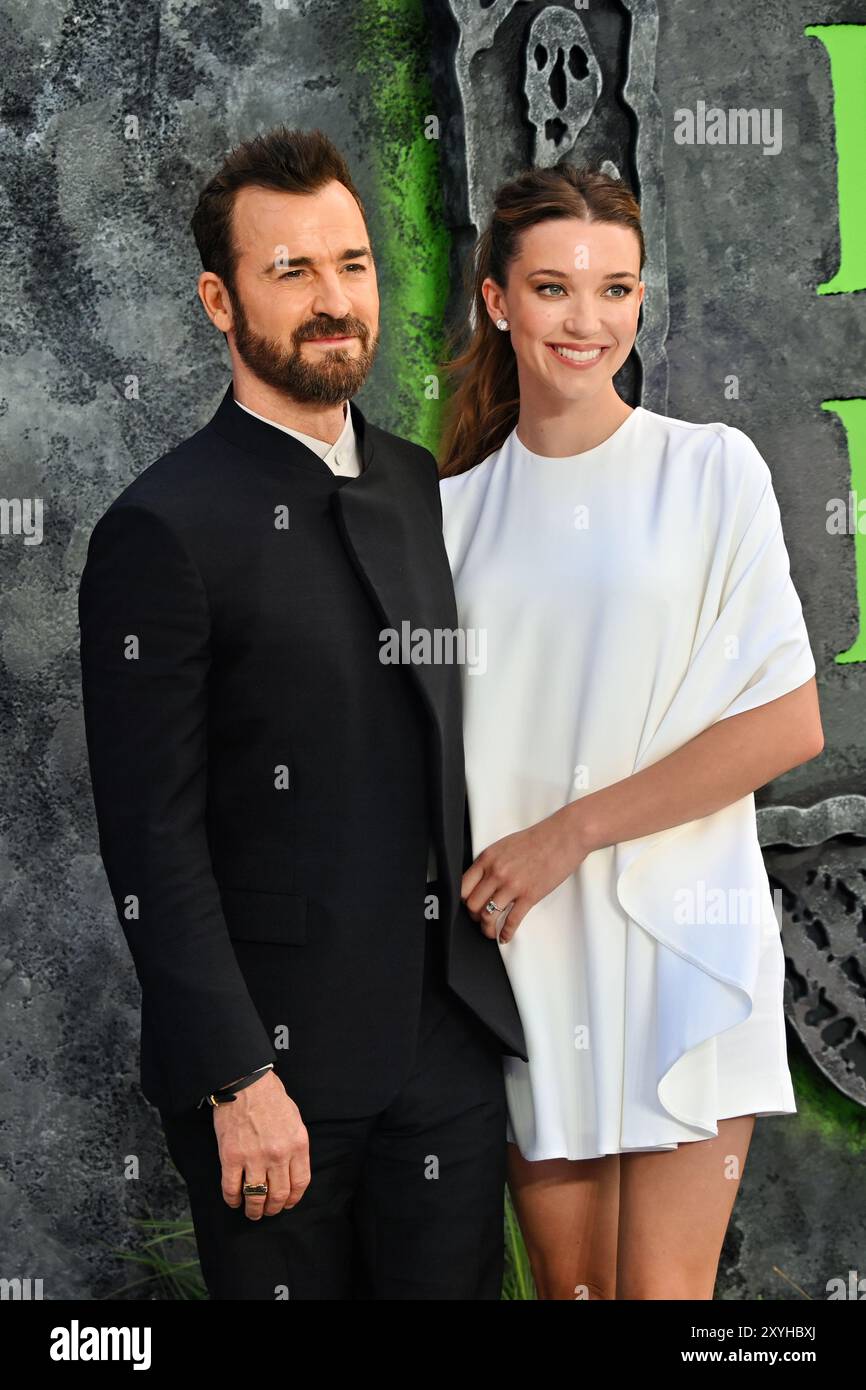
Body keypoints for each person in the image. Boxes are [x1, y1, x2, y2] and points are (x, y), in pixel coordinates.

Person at [78, 125, 527, 1300]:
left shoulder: (417, 485)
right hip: (273, 1078)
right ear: (219, 302)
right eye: (292, 273)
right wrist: (236, 1079)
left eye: (351, 264)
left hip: (444, 1052)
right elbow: (149, 840)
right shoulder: (160, 530)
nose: (333, 302)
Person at [437, 163, 824, 1300]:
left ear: (640, 299)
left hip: (676, 939)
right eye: (553, 288)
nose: (587, 320)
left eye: (615, 289)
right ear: (496, 301)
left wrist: (571, 831)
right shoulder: (443, 516)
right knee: (574, 1298)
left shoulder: (707, 472)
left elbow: (785, 721)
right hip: (525, 954)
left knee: (661, 1300)